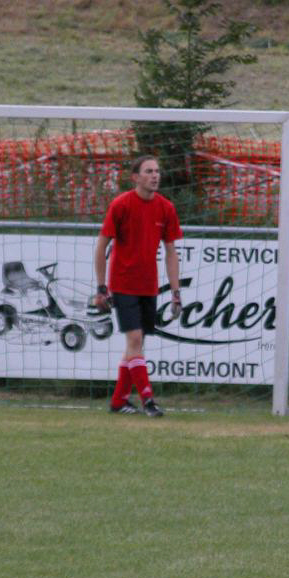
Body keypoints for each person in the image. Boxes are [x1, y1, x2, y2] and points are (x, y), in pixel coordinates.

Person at [94, 155, 183, 417]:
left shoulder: (166, 208)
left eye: (157, 171)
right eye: (149, 171)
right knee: (134, 339)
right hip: (123, 284)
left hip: (148, 286)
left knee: (136, 345)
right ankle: (148, 400)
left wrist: (176, 293)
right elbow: (101, 246)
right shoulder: (121, 205)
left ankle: (118, 401)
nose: (155, 175)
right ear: (135, 177)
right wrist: (101, 287)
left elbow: (171, 252)